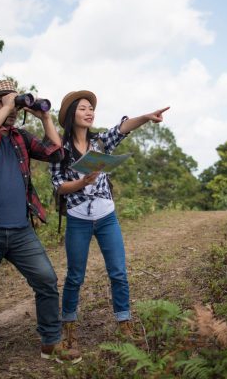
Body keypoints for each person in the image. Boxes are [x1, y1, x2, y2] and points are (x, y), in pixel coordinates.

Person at [0, 80, 82, 379]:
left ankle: (51, 342)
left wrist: (45, 117)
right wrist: (9, 105)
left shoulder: (20, 138)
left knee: (46, 279)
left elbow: (56, 153)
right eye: (3, 101)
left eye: (15, 102)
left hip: (20, 230)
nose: (13, 108)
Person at [50, 90, 169, 353]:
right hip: (78, 218)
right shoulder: (60, 149)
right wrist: (81, 182)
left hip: (106, 216)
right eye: (83, 108)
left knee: (118, 272)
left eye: (91, 108)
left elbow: (122, 128)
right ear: (72, 115)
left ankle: (124, 322)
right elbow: (58, 186)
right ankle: (69, 328)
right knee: (75, 276)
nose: (90, 112)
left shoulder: (100, 143)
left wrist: (146, 118)